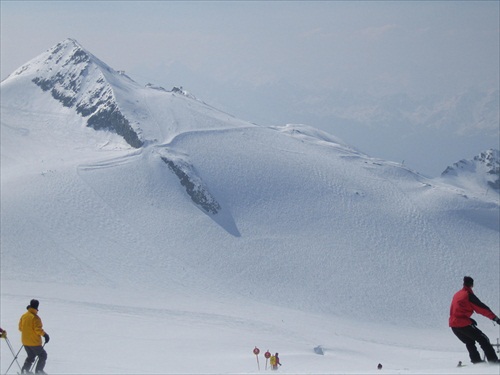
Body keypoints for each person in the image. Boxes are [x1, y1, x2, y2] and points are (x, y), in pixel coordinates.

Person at [449, 276, 500, 364]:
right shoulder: (468, 295)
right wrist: (495, 318)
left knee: (469, 341)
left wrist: (469, 320)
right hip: (462, 324)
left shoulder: (457, 294)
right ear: (472, 285)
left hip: (453, 325)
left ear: (463, 283)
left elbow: (457, 309)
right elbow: (481, 308)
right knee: (484, 339)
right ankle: (493, 361)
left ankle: (476, 362)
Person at [19, 299, 50, 374]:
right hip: (34, 342)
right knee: (43, 355)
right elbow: (38, 330)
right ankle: (39, 371)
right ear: (37, 306)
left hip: (25, 341)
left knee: (31, 356)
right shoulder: (35, 318)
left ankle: (25, 370)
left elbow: (20, 328)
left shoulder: (24, 316)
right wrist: (45, 335)